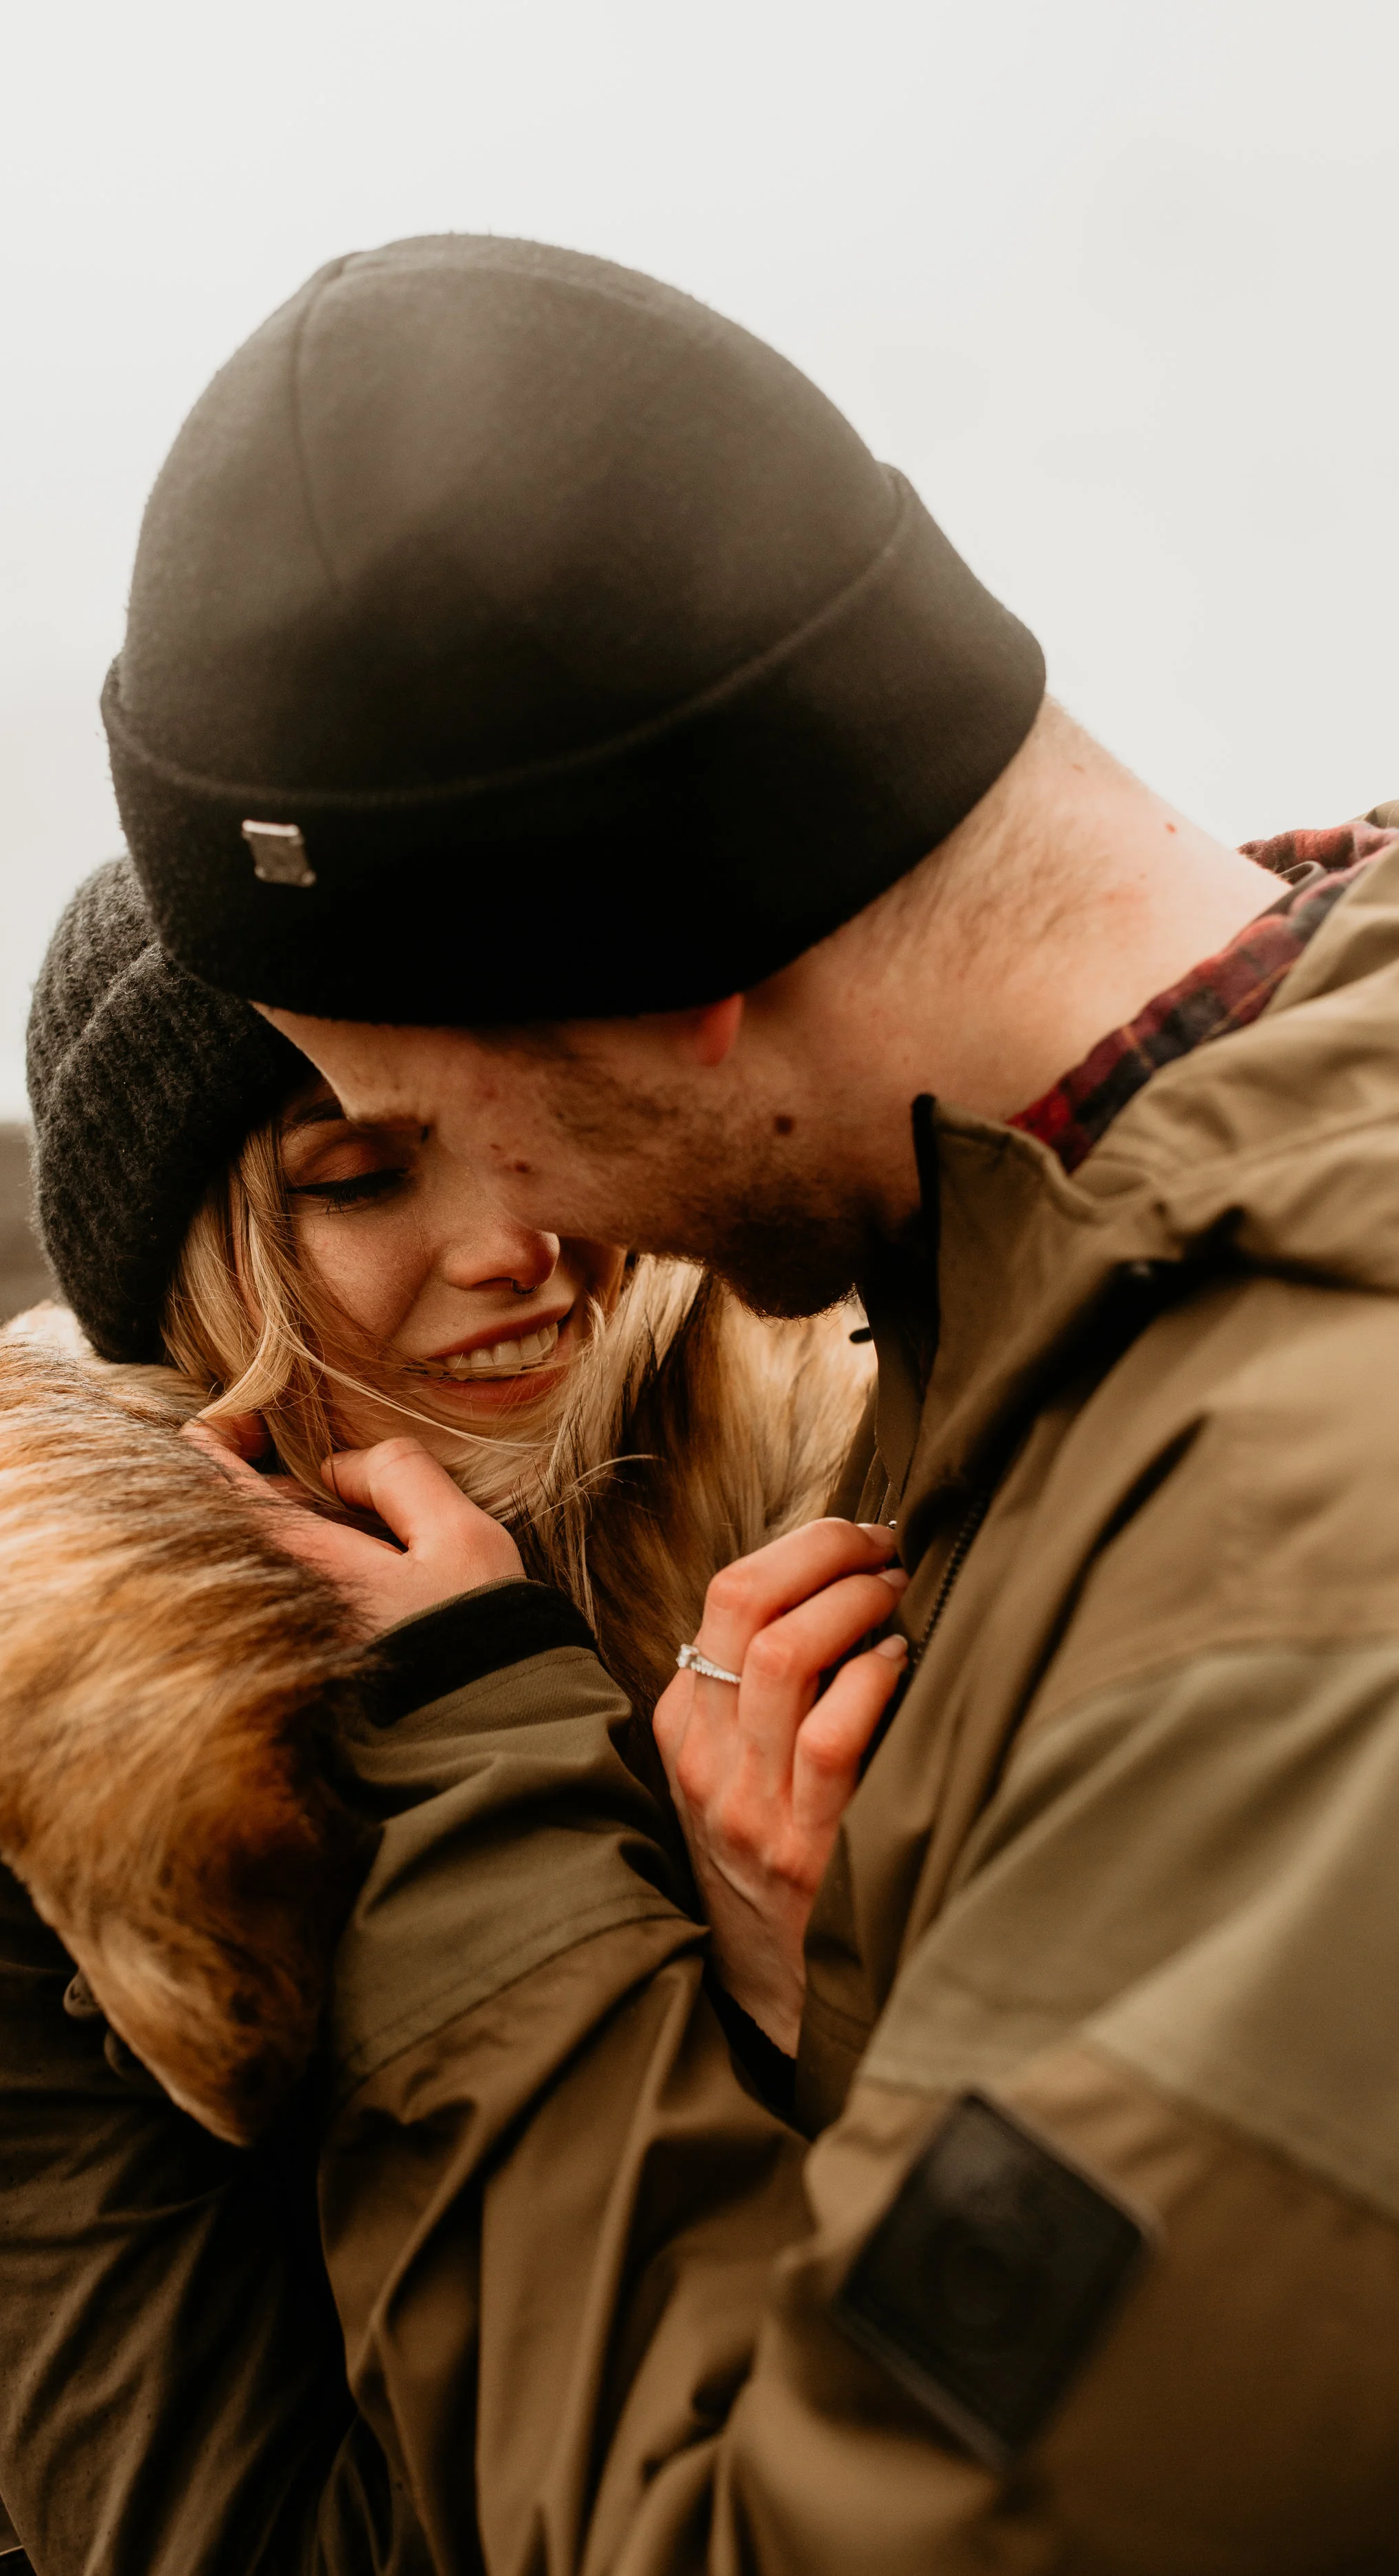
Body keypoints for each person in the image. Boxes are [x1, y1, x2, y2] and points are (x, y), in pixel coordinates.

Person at [91, 234, 1399, 2566]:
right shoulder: (1096, 1278)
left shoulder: (1301, 1591)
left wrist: (491, 1818)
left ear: (656, 965)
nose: (526, 1235)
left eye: (435, 1115)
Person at [0, 855, 894, 2566]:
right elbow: (214, 2533)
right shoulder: (56, 1685)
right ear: (182, 1261)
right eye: (362, 1173)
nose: (515, 1244)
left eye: (521, 1116)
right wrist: (748, 1999)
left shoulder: (790, 1500)